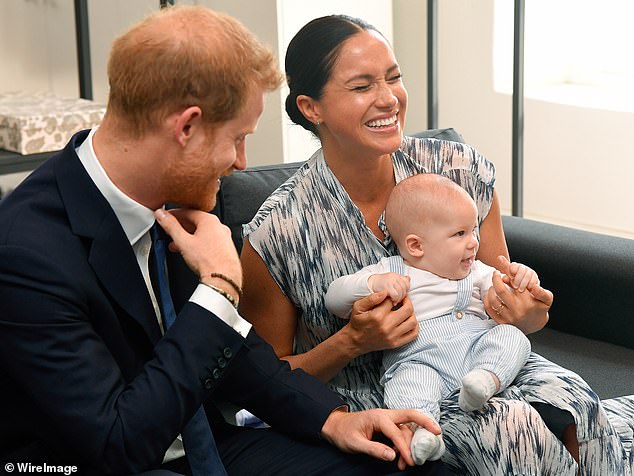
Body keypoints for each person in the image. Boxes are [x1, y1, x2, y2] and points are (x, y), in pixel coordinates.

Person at [0, 6, 449, 475]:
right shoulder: (26, 255)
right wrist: (218, 292)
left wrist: (334, 419)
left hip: (207, 444)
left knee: (405, 465)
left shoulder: (183, 193)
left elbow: (241, 354)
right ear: (186, 127)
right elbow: (117, 443)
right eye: (237, 138)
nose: (240, 162)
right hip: (95, 460)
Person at [239, 13, 628, 475]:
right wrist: (351, 343)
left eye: (394, 77)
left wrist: (527, 311)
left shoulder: (457, 170)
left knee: (579, 401)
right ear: (311, 107)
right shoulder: (278, 231)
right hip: (395, 395)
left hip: (493, 362)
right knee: (510, 427)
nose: (389, 99)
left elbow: (512, 301)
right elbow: (264, 383)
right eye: (362, 86)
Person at [325, 173, 541, 465]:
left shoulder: (476, 271)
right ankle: (424, 432)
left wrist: (523, 278)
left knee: (513, 338)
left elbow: (506, 292)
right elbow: (334, 298)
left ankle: (485, 380)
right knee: (407, 384)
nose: (474, 243)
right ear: (416, 246)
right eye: (459, 234)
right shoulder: (392, 271)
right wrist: (374, 283)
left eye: (473, 231)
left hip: (477, 347)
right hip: (419, 359)